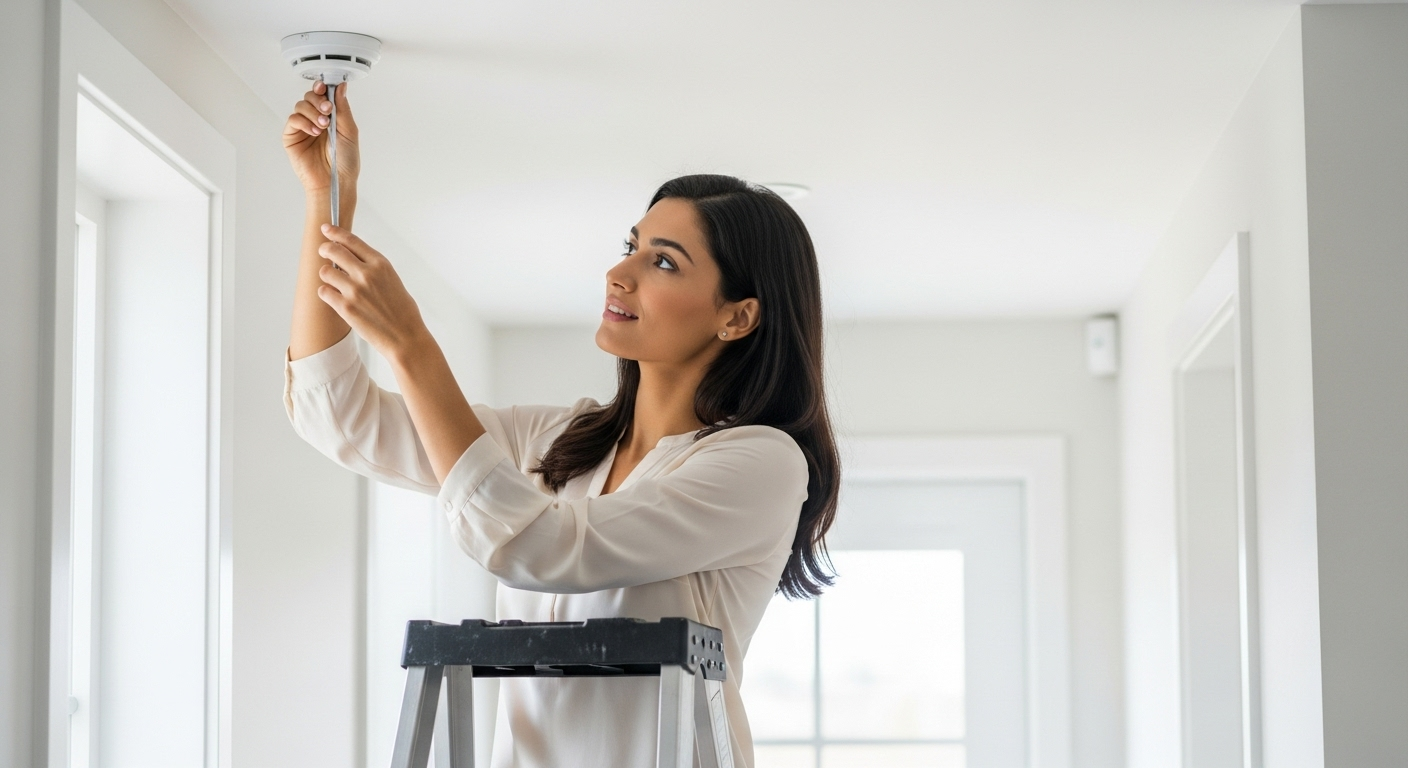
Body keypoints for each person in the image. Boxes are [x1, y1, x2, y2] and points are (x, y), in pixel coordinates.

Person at [281, 80, 840, 768]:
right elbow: (337, 415)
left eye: (663, 261)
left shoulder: (761, 463)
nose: (618, 272)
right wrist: (326, 201)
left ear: (737, 316)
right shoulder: (556, 442)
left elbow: (540, 546)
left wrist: (412, 346)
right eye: (631, 246)